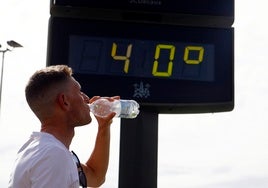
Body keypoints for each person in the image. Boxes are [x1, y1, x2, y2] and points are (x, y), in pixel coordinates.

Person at [8, 65, 118, 188]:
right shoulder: (54, 155)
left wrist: (104, 127)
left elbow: (96, 177)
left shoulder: (39, 149)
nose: (87, 98)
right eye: (79, 92)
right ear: (64, 101)